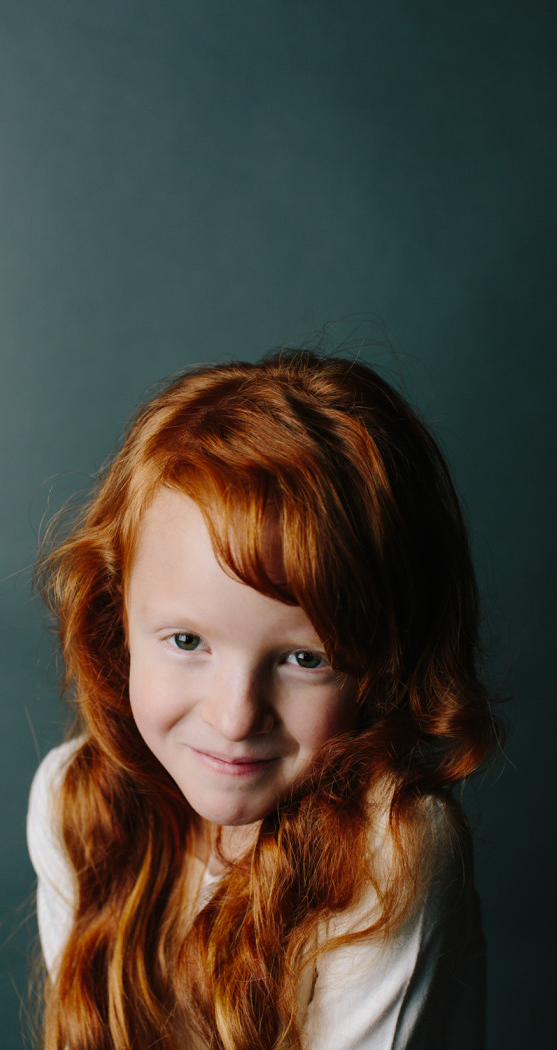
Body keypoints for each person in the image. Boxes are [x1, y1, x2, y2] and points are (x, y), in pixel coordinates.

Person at [27, 348, 498, 1050]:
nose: (235, 715)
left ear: (387, 663)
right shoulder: (77, 802)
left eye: (306, 659)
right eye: (187, 642)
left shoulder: (391, 851)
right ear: (113, 615)